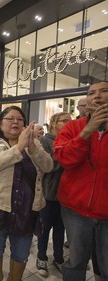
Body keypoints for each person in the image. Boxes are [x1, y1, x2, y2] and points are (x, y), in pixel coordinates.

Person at [0, 105, 53, 281]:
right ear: (0, 123)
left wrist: (32, 148)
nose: (15, 122)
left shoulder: (34, 143)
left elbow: (48, 166)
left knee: (21, 254)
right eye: (10, 118)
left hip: (26, 211)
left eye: (19, 119)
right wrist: (19, 147)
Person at [53, 81, 108, 280]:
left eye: (104, 91)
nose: (97, 95)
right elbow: (63, 158)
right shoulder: (73, 127)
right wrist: (87, 131)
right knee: (76, 261)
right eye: (92, 92)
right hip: (75, 209)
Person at [36, 112, 71, 277]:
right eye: (65, 121)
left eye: (70, 121)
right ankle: (41, 257)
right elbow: (46, 166)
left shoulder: (70, 140)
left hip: (65, 195)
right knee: (44, 228)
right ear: (54, 123)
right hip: (49, 193)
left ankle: (58, 258)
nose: (68, 123)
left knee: (60, 228)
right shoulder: (44, 140)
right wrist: (66, 155)